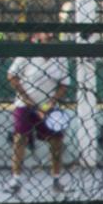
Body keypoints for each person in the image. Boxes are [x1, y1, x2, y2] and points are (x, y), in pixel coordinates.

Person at [7, 32, 70, 195]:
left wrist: (51, 103)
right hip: (25, 104)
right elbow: (12, 76)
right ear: (36, 37)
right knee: (20, 138)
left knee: (56, 140)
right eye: (45, 35)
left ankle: (56, 178)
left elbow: (64, 84)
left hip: (48, 106)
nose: (49, 37)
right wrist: (27, 100)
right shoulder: (26, 55)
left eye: (51, 36)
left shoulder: (60, 58)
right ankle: (16, 179)